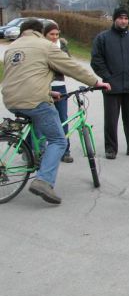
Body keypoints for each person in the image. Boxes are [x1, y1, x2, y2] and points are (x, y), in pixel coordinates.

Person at [2, 19, 110, 205]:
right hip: (34, 100)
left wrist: (48, 92)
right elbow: (70, 66)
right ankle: (43, 181)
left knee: (39, 127)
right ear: (39, 31)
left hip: (11, 100)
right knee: (59, 140)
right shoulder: (45, 46)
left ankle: (36, 157)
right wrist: (95, 82)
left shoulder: (12, 47)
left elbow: (24, 77)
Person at [91, 6, 129, 160]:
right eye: (120, 18)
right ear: (114, 19)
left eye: (126, 18)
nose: (123, 21)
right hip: (111, 86)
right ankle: (111, 148)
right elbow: (96, 60)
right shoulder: (103, 38)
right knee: (111, 119)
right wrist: (107, 77)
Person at [43, 22, 73, 163]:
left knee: (63, 118)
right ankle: (38, 150)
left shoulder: (63, 47)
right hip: (43, 87)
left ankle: (65, 150)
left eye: (57, 34)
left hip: (60, 86)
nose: (54, 37)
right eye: (51, 34)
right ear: (45, 35)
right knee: (42, 118)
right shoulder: (40, 46)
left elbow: (66, 64)